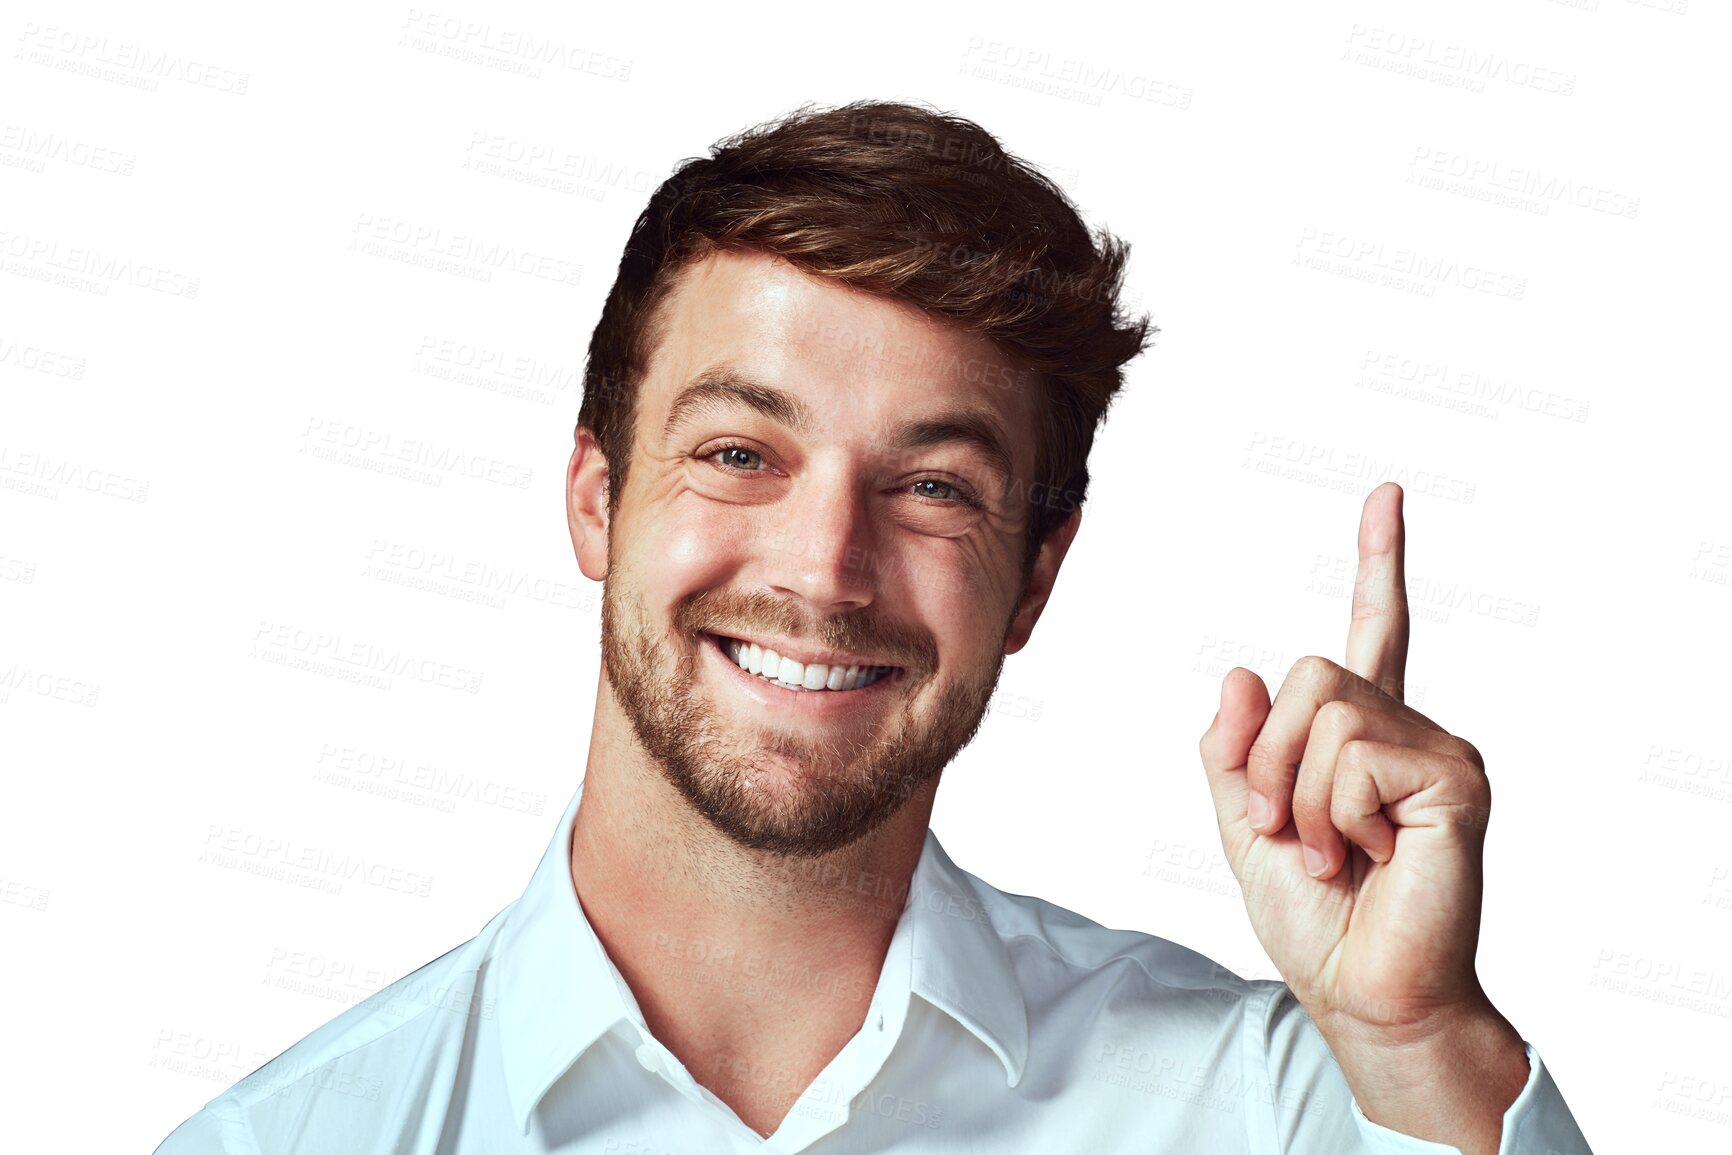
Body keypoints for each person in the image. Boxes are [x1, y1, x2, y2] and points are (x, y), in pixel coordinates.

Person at [156, 99, 1591, 1154]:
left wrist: (1417, 1048)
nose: (827, 566)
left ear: (1034, 580)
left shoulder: (1284, 1113)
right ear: (595, 495)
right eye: (738, 453)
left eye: (929, 487)